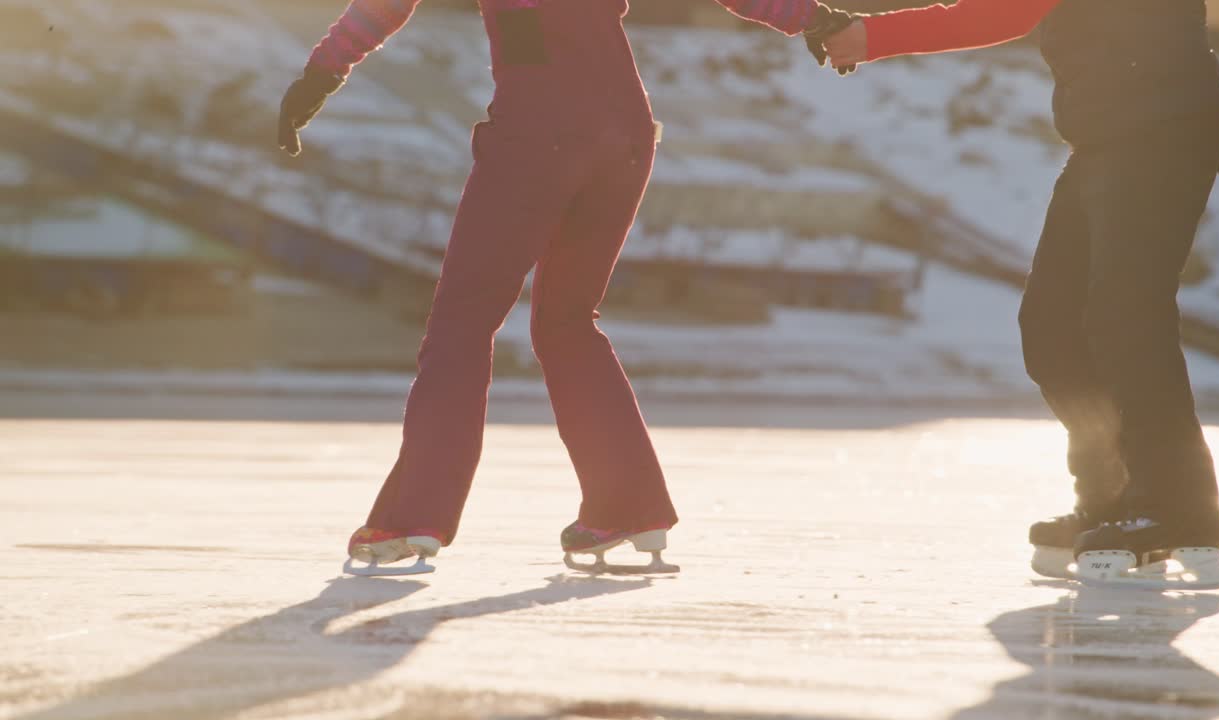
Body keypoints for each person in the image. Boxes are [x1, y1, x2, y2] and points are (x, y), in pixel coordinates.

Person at [277, 0, 864, 575]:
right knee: (567, 323)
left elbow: (383, 7)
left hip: (537, 136)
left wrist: (321, 74)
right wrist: (813, 18)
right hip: (626, 138)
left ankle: (412, 518)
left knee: (462, 325)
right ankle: (627, 507)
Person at [820, 0, 1219, 589]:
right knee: (1051, 327)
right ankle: (1111, 496)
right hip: (1106, 135)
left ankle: (1179, 507)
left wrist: (872, 35)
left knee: (1127, 316)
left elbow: (1004, 12)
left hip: (1162, 127)